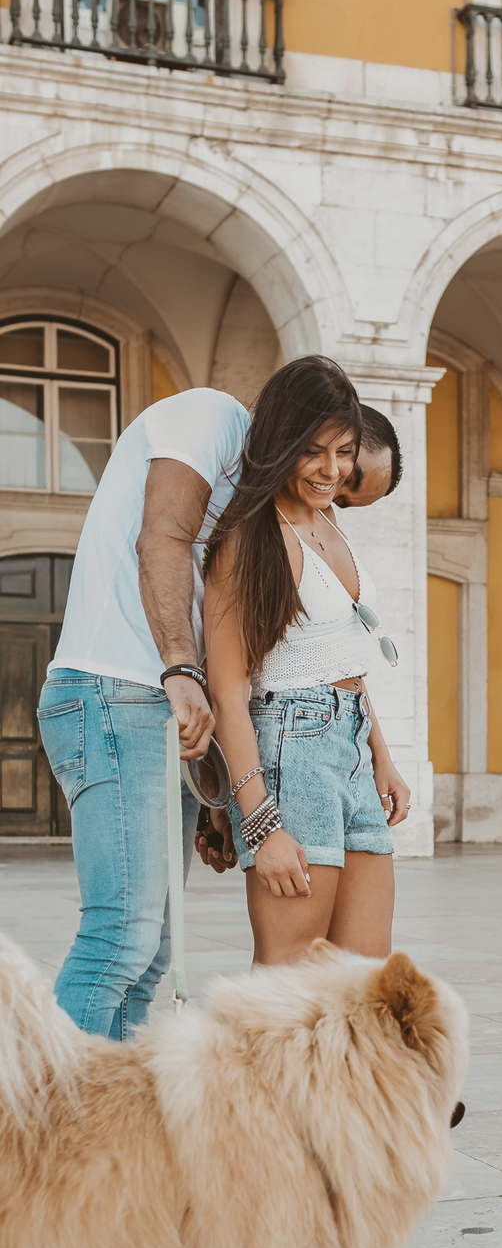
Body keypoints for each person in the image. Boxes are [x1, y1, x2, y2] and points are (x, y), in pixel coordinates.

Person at [37, 367, 400, 1038]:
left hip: (174, 711)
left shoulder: (265, 504)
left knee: (151, 958)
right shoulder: (210, 418)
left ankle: (110, 1126)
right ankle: (42, 1128)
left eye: (342, 467)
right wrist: (180, 669)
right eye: (324, 455)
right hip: (116, 685)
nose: (330, 484)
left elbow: (237, 648)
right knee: (122, 937)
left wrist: (220, 797)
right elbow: (164, 538)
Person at [203, 359, 410, 966]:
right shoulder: (250, 537)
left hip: (348, 745)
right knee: (288, 984)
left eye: (343, 452)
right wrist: (260, 825)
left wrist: (382, 756)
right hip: (291, 750)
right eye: (313, 451)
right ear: (281, 444)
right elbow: (230, 691)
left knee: (362, 979)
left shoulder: (327, 523)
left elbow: (343, 654)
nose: (331, 470)